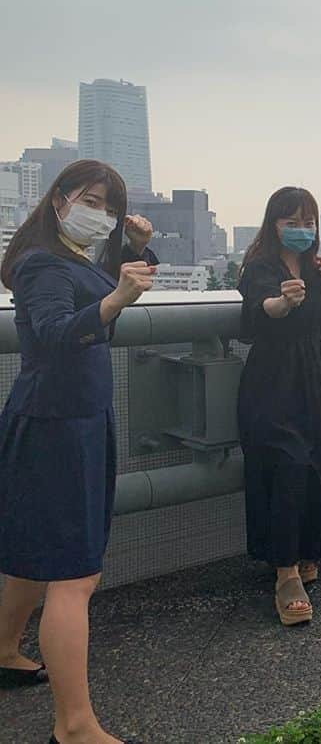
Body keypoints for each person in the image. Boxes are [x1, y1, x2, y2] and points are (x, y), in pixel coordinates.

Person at [0, 159, 156, 744]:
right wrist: (116, 299)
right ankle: (74, 726)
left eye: (111, 206)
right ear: (60, 199)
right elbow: (56, 333)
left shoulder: (76, 259)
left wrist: (135, 251)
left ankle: (4, 649)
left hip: (73, 419)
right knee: (73, 576)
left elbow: (106, 291)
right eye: (93, 200)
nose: (103, 214)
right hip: (56, 426)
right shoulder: (43, 263)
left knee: (35, 555)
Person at [237, 187, 321, 626]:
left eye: (308, 222)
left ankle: (307, 551)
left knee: (318, 459)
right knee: (285, 462)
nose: (302, 230)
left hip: (316, 373)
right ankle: (284, 574)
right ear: (274, 223)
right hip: (272, 378)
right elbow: (264, 308)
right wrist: (285, 301)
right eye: (292, 221)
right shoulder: (259, 267)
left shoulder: (319, 269)